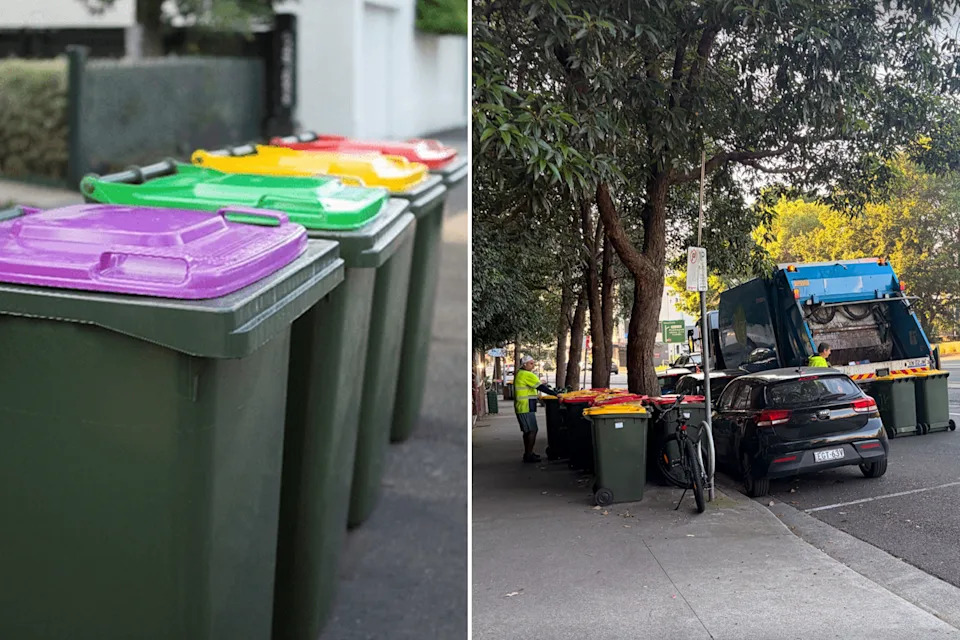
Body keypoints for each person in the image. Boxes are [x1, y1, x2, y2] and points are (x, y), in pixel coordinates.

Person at [513, 355, 557, 463]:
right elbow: (540, 387)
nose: (533, 365)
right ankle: (528, 455)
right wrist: (556, 394)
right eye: (531, 363)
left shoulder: (521, 374)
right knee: (532, 430)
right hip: (525, 406)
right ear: (525, 364)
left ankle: (528, 453)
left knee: (527, 431)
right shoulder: (526, 374)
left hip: (523, 406)